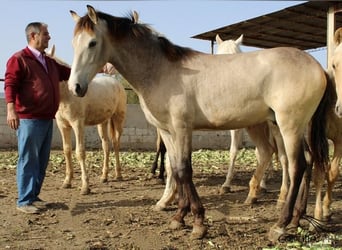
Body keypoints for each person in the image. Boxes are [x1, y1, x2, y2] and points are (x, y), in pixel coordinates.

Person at [4, 22, 70, 214]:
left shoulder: (48, 62)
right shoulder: (19, 59)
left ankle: (33, 196)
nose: (49, 37)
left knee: (41, 160)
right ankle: (24, 200)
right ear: (34, 36)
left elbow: (69, 73)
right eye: (46, 34)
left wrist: (97, 70)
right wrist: (10, 109)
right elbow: (10, 84)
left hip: (47, 117)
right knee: (28, 159)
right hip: (29, 119)